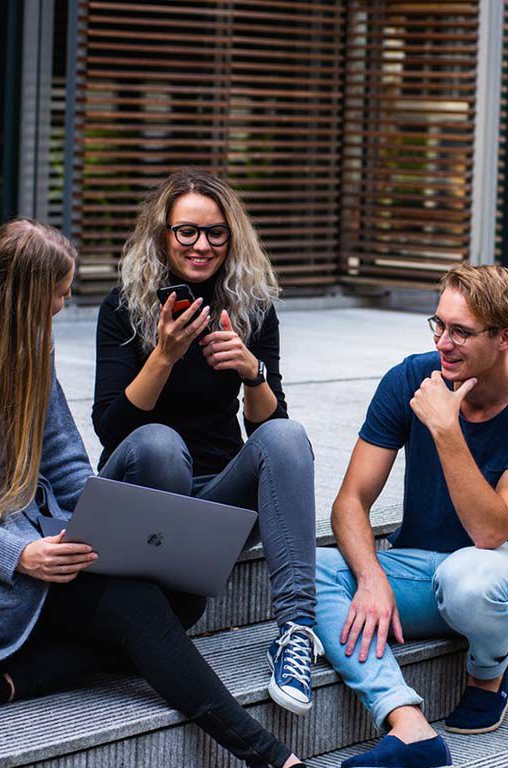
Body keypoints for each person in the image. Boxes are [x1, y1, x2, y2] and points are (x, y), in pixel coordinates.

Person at [0, 220, 311, 768]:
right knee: (137, 606)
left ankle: (16, 677)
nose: (62, 306)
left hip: (38, 536)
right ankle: (270, 755)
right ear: (23, 295)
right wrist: (20, 555)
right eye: (58, 294)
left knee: (182, 598)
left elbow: (65, 462)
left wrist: (100, 527)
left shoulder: (28, 343)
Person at [315, 265, 508, 767]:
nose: (444, 342)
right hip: (417, 568)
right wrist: (370, 578)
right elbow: (351, 500)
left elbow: (490, 530)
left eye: (460, 331)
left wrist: (446, 428)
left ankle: (490, 669)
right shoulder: (410, 377)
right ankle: (407, 724)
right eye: (438, 324)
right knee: (310, 569)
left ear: (506, 337)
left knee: (470, 577)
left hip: (501, 572)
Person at [91, 169, 320, 716]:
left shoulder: (251, 307)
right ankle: (154, 611)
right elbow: (111, 429)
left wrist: (252, 372)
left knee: (288, 436)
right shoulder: (123, 308)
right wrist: (164, 355)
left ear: (232, 237)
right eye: (186, 232)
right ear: (163, 235)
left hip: (215, 503)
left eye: (216, 233)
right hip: (143, 492)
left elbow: (270, 433)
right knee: (160, 444)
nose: (201, 245)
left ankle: (296, 635)